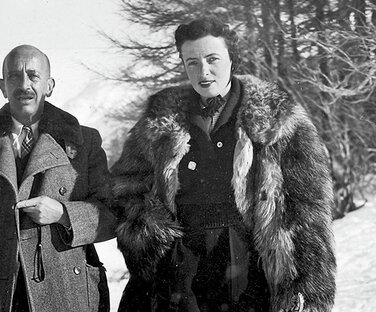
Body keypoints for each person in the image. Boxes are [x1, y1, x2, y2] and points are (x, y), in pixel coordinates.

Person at [111, 17, 336, 312]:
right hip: (181, 271)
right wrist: (152, 239)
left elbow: (308, 211)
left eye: (212, 59)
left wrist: (307, 289)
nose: (202, 71)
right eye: (192, 62)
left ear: (233, 59)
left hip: (252, 272)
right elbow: (127, 189)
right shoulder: (158, 123)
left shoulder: (279, 121)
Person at [0, 44, 116, 312]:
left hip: (63, 293)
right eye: (14, 77)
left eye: (33, 75)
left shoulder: (84, 142)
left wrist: (64, 214)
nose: (24, 85)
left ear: (50, 85)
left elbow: (111, 215)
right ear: (2, 86)